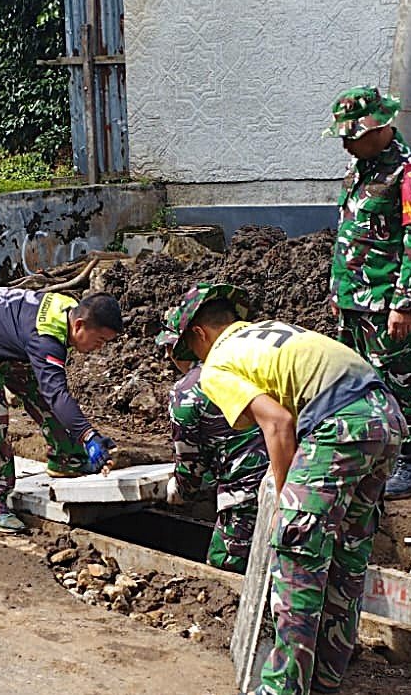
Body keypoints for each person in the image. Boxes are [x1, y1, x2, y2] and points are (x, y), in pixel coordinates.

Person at [163, 283, 406, 695]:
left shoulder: (218, 363)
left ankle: (281, 689)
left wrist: (283, 500)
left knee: (295, 556)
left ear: (200, 335)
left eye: (191, 353)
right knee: (345, 560)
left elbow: (277, 423)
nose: (195, 364)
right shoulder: (270, 333)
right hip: (387, 418)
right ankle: (326, 681)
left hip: (338, 424)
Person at [0, 287, 123, 534]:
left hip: (5, 344)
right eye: (100, 341)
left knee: (46, 399)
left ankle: (67, 459)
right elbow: (57, 393)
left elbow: (52, 394)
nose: (100, 348)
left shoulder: (65, 310)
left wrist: (83, 435)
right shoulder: (45, 338)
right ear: (79, 325)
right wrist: (88, 436)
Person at [325, 85, 411, 500]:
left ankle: (407, 463)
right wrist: (335, 288)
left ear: (380, 128)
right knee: (357, 382)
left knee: (399, 382)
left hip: (385, 303)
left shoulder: (405, 172)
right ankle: (368, 455)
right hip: (352, 300)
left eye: (353, 135)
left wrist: (403, 303)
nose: (346, 143)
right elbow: (348, 233)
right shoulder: (359, 168)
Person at [155, 289, 270, 573]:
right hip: (301, 480)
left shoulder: (189, 391)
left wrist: (179, 492)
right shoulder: (263, 357)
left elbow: (190, 467)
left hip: (249, 492)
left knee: (223, 568)